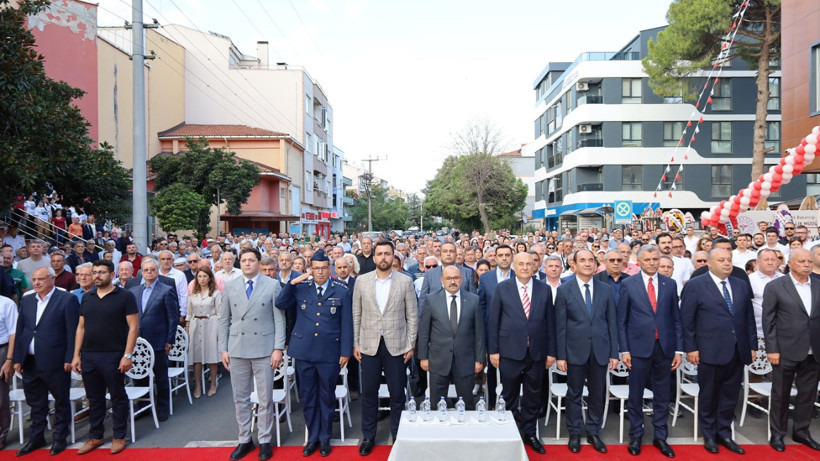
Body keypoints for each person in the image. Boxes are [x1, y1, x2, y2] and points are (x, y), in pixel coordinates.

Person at [275, 250, 352, 457]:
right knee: (308, 397)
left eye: (324, 268)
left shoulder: (341, 290)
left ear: (330, 269)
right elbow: (280, 303)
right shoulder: (300, 288)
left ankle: (325, 438)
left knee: (327, 397)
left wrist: (345, 351)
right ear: (311, 269)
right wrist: (293, 282)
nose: (320, 272)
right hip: (304, 352)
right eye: (316, 268)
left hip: (329, 352)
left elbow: (347, 324)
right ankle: (312, 437)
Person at [680, 247, 756, 455]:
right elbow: (687, 320)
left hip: (737, 350)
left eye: (729, 259)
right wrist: (691, 348)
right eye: (721, 260)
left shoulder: (740, 285)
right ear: (710, 264)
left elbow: (748, 318)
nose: (726, 263)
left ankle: (724, 433)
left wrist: (751, 346)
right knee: (709, 394)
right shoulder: (696, 285)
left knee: (730, 394)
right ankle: (709, 435)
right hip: (708, 350)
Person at [219, 248, 285, 461]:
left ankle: (265, 439)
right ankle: (245, 438)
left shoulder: (272, 285)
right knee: (240, 398)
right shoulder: (230, 286)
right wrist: (223, 348)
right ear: (240, 263)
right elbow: (224, 320)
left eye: (251, 260)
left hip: (264, 348)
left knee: (265, 398)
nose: (247, 264)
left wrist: (278, 348)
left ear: (258, 262)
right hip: (237, 348)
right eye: (244, 260)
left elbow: (279, 319)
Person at [352, 240, 417, 456]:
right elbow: (356, 315)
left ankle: (398, 435)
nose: (383, 257)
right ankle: (368, 436)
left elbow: (412, 315)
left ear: (393, 256)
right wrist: (356, 343)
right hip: (369, 345)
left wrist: (411, 344)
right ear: (374, 257)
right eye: (379, 254)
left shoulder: (404, 281)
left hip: (397, 345)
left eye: (387, 254)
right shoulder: (361, 281)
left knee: (397, 393)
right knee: (369, 393)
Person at [488, 252, 556, 455]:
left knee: (533, 396)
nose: (525, 267)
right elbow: (494, 322)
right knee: (509, 395)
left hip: (537, 352)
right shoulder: (502, 288)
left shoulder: (544, 289)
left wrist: (551, 352)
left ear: (535, 266)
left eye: (529, 263)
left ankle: (530, 433)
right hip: (509, 351)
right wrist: (493, 351)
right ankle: (509, 434)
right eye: (521, 264)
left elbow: (550, 323)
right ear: (514, 267)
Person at [617, 245, 681, 458]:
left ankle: (660, 436)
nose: (653, 263)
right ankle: (636, 434)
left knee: (662, 395)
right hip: (637, 349)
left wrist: (678, 350)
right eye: (648, 259)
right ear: (639, 261)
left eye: (656, 259)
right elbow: (622, 321)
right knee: (635, 394)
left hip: (664, 349)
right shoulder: (628, 284)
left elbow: (676, 319)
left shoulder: (669, 284)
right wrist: (624, 350)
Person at [71, 260, 138, 455]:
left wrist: (127, 355)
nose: (96, 276)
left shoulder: (124, 296)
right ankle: (96, 436)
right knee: (94, 398)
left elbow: (133, 327)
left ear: (111, 274)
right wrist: (76, 354)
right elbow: (81, 327)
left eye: (101, 272)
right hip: (89, 355)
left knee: (117, 396)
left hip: (114, 354)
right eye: (94, 272)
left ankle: (119, 436)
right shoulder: (87, 297)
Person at [554, 249, 618, 454]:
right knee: (574, 393)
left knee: (597, 394)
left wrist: (614, 353)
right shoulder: (565, 289)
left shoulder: (605, 289)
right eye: (583, 260)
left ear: (597, 264)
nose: (588, 264)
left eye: (591, 260)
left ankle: (593, 431)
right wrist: (561, 355)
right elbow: (560, 325)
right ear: (574, 265)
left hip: (600, 350)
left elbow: (612, 323)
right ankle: (574, 432)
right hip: (574, 351)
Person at [12, 267, 79, 456]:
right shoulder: (27, 300)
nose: (36, 283)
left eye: (41, 279)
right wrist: (18, 357)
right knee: (35, 402)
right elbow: (21, 330)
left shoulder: (67, 299)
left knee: (60, 401)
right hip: (30, 361)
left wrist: (70, 357)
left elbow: (72, 332)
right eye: (33, 279)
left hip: (56, 361)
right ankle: (36, 437)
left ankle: (59, 438)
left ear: (52, 279)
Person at [761, 248, 820, 452]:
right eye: (802, 261)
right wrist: (772, 349)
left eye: (809, 261)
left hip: (814, 351)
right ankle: (778, 433)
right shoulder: (776, 286)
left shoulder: (819, 284)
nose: (807, 264)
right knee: (781, 394)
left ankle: (801, 432)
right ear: (790, 263)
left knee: (807, 394)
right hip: (785, 350)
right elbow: (768, 320)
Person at [418, 265, 484, 409]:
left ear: (461, 279)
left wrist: (479, 359)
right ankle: (438, 431)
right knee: (436, 404)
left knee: (467, 403)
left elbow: (479, 334)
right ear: (442, 280)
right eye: (448, 278)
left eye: (455, 278)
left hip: (465, 361)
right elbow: (424, 332)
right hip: (438, 361)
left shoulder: (474, 300)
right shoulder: (431, 299)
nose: (452, 281)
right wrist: (423, 357)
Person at [128, 258, 178, 422]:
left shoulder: (166, 290)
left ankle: (162, 408)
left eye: (152, 269)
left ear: (157, 271)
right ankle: (142, 408)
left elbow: (173, 317)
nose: (149, 272)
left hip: (158, 340)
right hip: (138, 341)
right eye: (146, 270)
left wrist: (170, 340)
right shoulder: (134, 291)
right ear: (141, 272)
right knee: (139, 376)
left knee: (161, 377)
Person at [187, 266, 222, 398]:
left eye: (205, 276)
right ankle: (198, 385)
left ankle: (213, 383)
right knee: (197, 357)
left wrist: (219, 331)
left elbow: (220, 314)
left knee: (212, 356)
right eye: (200, 276)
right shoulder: (193, 294)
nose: (202, 279)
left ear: (209, 278)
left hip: (211, 324)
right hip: (196, 325)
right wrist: (188, 329)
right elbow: (189, 314)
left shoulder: (216, 293)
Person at [0, 294, 18, 451]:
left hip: (2, 350)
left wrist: (9, 359)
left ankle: (1, 435)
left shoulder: (7, 304)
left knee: (0, 398)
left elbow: (14, 333)